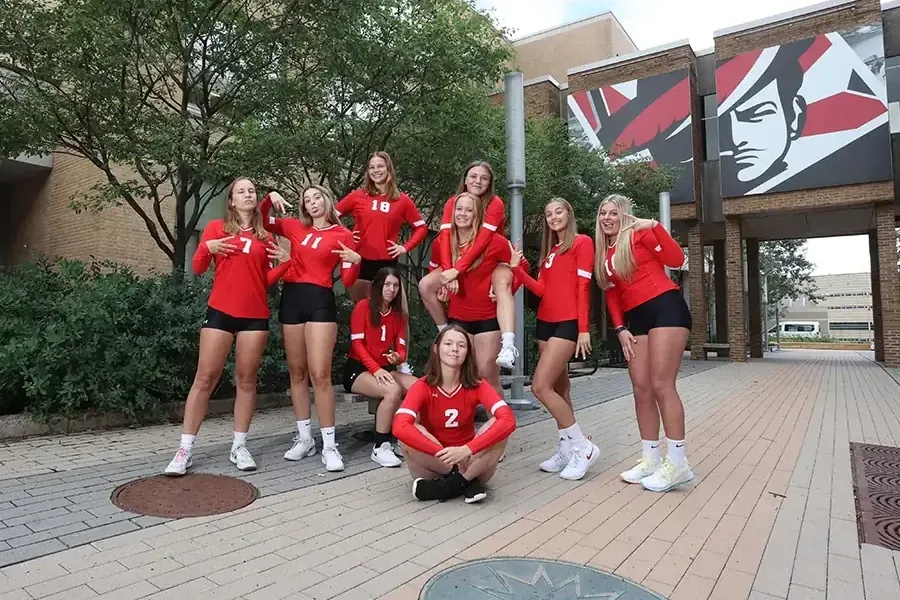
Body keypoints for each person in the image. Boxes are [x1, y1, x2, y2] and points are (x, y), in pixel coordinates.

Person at [165, 178, 291, 476]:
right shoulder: (216, 229)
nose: (248, 194)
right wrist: (206, 248)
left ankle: (239, 446)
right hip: (221, 312)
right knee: (205, 378)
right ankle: (184, 449)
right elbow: (196, 268)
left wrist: (287, 263)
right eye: (241, 191)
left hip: (254, 316)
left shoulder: (265, 238)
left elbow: (264, 282)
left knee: (246, 380)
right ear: (231, 200)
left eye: (252, 191)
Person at [594, 193, 693, 493]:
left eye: (613, 213)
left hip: (665, 307)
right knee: (641, 387)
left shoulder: (641, 234)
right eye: (603, 213)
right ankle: (650, 458)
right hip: (635, 319)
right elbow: (611, 293)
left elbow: (676, 260)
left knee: (662, 385)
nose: (607, 218)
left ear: (625, 216)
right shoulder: (606, 250)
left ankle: (678, 463)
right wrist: (620, 327)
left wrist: (653, 226)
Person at [260, 186, 361, 472]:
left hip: (319, 300)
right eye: (307, 199)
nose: (312, 202)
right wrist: (270, 197)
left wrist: (356, 261)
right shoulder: (294, 227)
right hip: (292, 298)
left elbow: (350, 279)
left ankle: (330, 445)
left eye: (317, 197)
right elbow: (262, 219)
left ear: (327, 201)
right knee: (297, 372)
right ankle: (305, 439)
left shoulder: (342, 234)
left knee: (320, 373)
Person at [509, 198, 598, 481]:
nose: (553, 217)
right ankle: (567, 448)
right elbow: (540, 290)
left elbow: (584, 287)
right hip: (544, 324)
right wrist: (517, 268)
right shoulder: (550, 253)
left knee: (539, 386)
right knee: (560, 390)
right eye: (548, 214)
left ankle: (583, 447)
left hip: (567, 324)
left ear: (569, 214)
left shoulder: (582, 242)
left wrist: (583, 329)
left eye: (558, 211)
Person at [392, 325, 516, 503]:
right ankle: (464, 482)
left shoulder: (476, 384)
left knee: (500, 426)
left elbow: (508, 420)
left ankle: (449, 486)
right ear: (436, 349)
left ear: (467, 352)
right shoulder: (422, 385)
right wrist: (445, 454)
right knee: (407, 432)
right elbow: (399, 426)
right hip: (433, 463)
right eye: (448, 343)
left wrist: (467, 450)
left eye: (461, 345)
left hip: (470, 461)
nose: (455, 349)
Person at [417, 162, 519, 369]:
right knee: (426, 285)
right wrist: (447, 275)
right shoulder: (452, 203)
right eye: (473, 176)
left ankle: (508, 345)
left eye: (484, 178)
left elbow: (482, 242)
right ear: (464, 179)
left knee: (502, 281)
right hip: (459, 278)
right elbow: (445, 237)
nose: (477, 181)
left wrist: (457, 270)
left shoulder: (495, 204)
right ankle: (445, 331)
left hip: (493, 259)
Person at [335, 151, 427, 376]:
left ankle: (402, 361)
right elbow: (332, 214)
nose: (376, 171)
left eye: (380, 166)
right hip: (361, 262)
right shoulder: (358, 195)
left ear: (389, 170)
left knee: (400, 312)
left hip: (387, 263)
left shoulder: (401, 200)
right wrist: (347, 234)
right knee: (364, 314)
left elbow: (421, 227)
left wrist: (405, 247)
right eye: (372, 167)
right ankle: (364, 363)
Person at [428, 192, 528, 394]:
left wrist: (506, 291)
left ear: (477, 215)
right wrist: (442, 288)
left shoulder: (495, 242)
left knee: (486, 374)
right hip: (458, 318)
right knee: (462, 376)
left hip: (488, 318)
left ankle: (500, 420)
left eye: (469, 210)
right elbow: (433, 271)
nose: (463, 214)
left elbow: (522, 266)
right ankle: (466, 421)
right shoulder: (442, 243)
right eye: (459, 209)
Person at [345, 266, 419, 467]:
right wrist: (376, 370)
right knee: (392, 391)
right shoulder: (363, 307)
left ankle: (409, 439)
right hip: (359, 369)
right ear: (378, 286)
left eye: (395, 285)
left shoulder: (398, 315)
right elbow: (357, 345)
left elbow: (402, 349)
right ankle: (380, 447)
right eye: (387, 284)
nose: (391, 289)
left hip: (385, 368)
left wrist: (397, 357)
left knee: (420, 388)